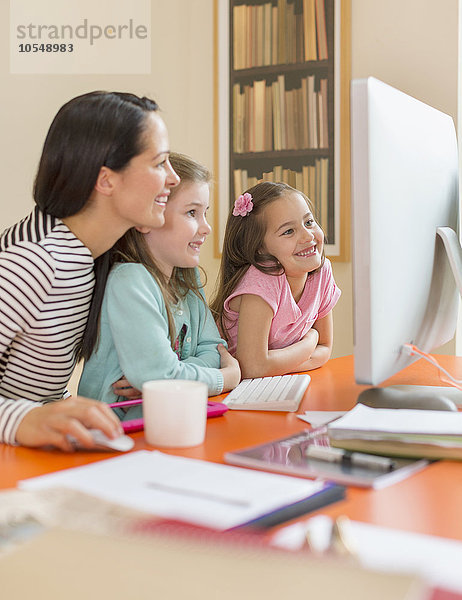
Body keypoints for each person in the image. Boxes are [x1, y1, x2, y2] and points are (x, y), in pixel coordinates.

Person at [0, 91, 179, 450]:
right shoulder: (31, 263)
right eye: (159, 163)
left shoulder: (90, 257)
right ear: (106, 180)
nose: (172, 178)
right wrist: (27, 418)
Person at [78, 153, 240, 420]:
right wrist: (226, 378)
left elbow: (214, 350)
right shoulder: (130, 280)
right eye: (192, 213)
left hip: (167, 422)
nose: (206, 228)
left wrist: (172, 378)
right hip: (113, 438)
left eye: (205, 214)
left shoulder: (188, 279)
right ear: (147, 219)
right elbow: (162, 376)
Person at [210, 181, 341, 379]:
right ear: (259, 249)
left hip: (272, 383)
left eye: (309, 222)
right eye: (288, 231)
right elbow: (252, 367)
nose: (308, 236)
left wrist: (275, 365)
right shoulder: (264, 279)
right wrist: (309, 343)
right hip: (226, 388)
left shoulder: (321, 272)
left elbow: (325, 349)